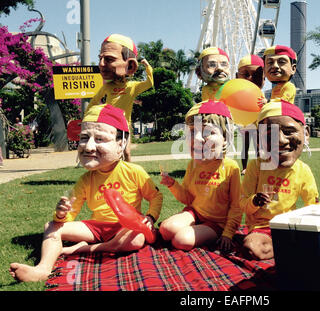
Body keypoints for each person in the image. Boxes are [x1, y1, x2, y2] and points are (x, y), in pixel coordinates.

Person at [9, 104, 163, 282]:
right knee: (51, 227)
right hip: (96, 227)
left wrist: (150, 217)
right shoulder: (85, 180)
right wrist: (60, 214)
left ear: (121, 144)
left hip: (124, 227)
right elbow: (68, 216)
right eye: (84, 137)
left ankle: (86, 249)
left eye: (99, 139)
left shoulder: (134, 172)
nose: (88, 147)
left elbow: (156, 196)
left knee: (137, 239)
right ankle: (43, 269)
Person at [240, 100, 319, 260]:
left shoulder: (303, 170)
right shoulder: (256, 166)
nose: (281, 140)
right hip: (261, 228)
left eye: (289, 131)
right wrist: (255, 201)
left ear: (306, 133)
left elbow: (313, 207)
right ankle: (290, 249)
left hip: (289, 226)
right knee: (252, 247)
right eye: (270, 134)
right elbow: (242, 204)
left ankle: (287, 247)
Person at [159, 100, 242, 253]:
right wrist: (173, 185)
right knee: (165, 229)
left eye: (208, 132)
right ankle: (193, 229)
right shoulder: (193, 165)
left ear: (225, 138)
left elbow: (236, 206)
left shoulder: (231, 168)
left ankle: (201, 232)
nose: (198, 138)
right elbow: (188, 198)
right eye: (192, 131)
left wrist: (228, 233)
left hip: (216, 223)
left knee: (181, 240)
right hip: (195, 213)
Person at [86, 33, 154, 162]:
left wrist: (147, 67)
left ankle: (129, 173)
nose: (101, 64)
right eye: (100, 58)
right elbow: (94, 102)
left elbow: (149, 83)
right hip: (109, 124)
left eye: (109, 59)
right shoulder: (107, 87)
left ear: (130, 65)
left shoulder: (132, 86)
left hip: (124, 125)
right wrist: (86, 118)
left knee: (126, 152)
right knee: (111, 153)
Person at [236, 54, 266, 174]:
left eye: (257, 75)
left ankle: (259, 165)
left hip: (258, 124)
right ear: (237, 76)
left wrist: (266, 103)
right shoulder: (239, 93)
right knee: (245, 146)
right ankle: (244, 167)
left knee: (258, 146)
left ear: (264, 78)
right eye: (246, 74)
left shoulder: (261, 94)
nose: (251, 78)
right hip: (245, 123)